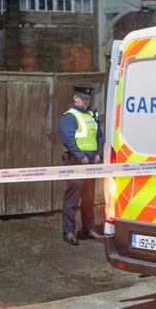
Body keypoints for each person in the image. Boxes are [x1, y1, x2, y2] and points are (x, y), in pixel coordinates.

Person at [59, 86, 106, 245]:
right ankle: (69, 232)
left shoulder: (92, 116)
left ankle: (89, 228)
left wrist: (99, 153)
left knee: (88, 198)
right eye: (83, 99)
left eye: (88, 99)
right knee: (72, 199)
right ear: (75, 98)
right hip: (77, 162)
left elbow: (99, 136)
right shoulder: (69, 117)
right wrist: (80, 156)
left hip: (92, 161)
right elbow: (68, 140)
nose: (86, 102)